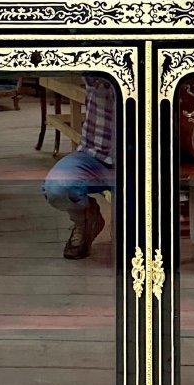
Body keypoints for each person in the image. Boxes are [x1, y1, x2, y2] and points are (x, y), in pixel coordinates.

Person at [42, 76, 117, 259]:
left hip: (144, 163)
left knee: (130, 248)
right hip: (94, 156)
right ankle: (85, 219)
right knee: (58, 188)